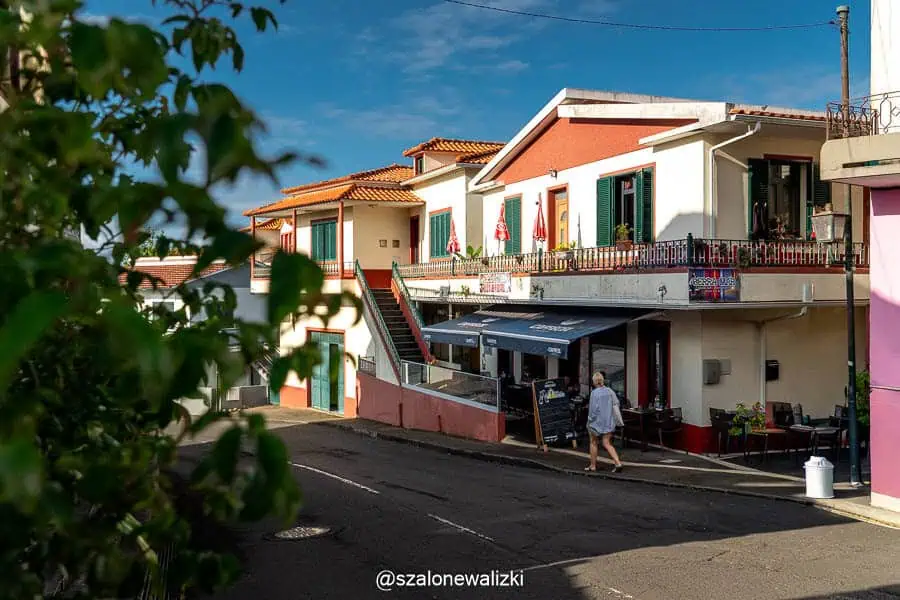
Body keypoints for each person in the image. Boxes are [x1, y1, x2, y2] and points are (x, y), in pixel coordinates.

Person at [585, 371, 623, 473]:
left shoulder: (594, 393)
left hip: (596, 422)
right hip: (609, 421)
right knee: (606, 443)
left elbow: (593, 410)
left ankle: (593, 466)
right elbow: (616, 404)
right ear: (602, 380)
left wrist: (589, 421)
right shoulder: (610, 391)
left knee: (593, 442)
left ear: (594, 382)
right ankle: (618, 462)